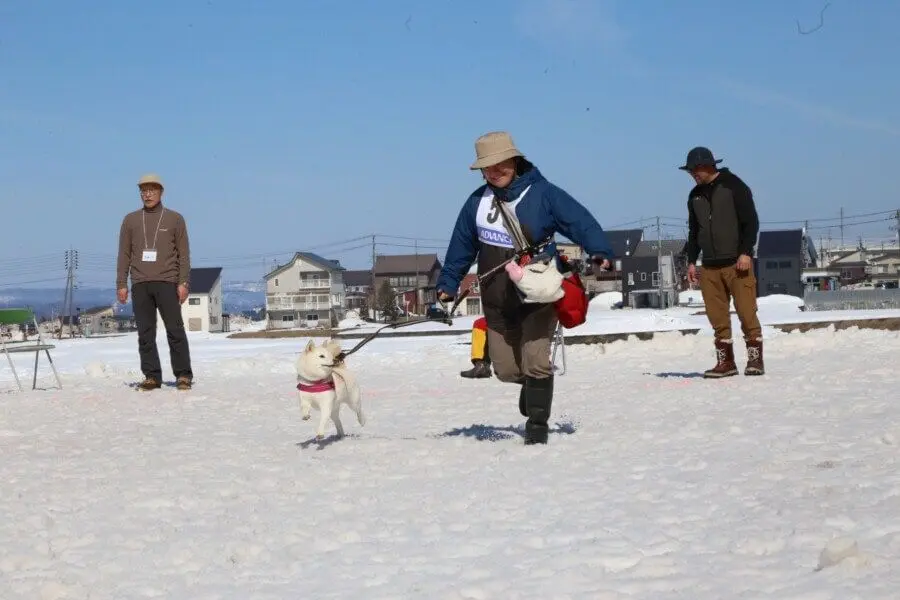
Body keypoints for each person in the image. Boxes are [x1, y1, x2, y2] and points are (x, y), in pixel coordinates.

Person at [436, 131, 613, 445]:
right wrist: (448, 284)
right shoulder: (477, 202)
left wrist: (600, 252)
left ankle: (537, 426)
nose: (493, 172)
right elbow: (461, 245)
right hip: (496, 299)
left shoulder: (543, 194)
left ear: (515, 160)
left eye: (499, 164)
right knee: (505, 369)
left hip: (537, 293)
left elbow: (580, 222)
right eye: (486, 167)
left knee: (536, 359)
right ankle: (531, 389)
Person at [680, 146, 764, 378]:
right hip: (709, 265)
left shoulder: (734, 185)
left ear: (708, 165)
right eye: (689, 171)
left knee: (747, 313)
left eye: (695, 169)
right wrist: (691, 261)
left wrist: (746, 252)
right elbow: (694, 231)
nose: (692, 174)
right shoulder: (694, 195)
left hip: (738, 263)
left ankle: (755, 361)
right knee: (717, 317)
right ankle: (726, 363)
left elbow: (751, 222)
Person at [116, 173, 195, 391]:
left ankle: (183, 375)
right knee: (145, 333)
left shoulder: (175, 219)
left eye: (152, 190)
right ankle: (152, 375)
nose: (147, 194)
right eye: (143, 190)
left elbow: (184, 254)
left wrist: (183, 282)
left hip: (167, 281)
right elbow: (123, 254)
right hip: (140, 282)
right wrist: (121, 283)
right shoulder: (130, 220)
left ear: (161, 192)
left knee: (175, 330)